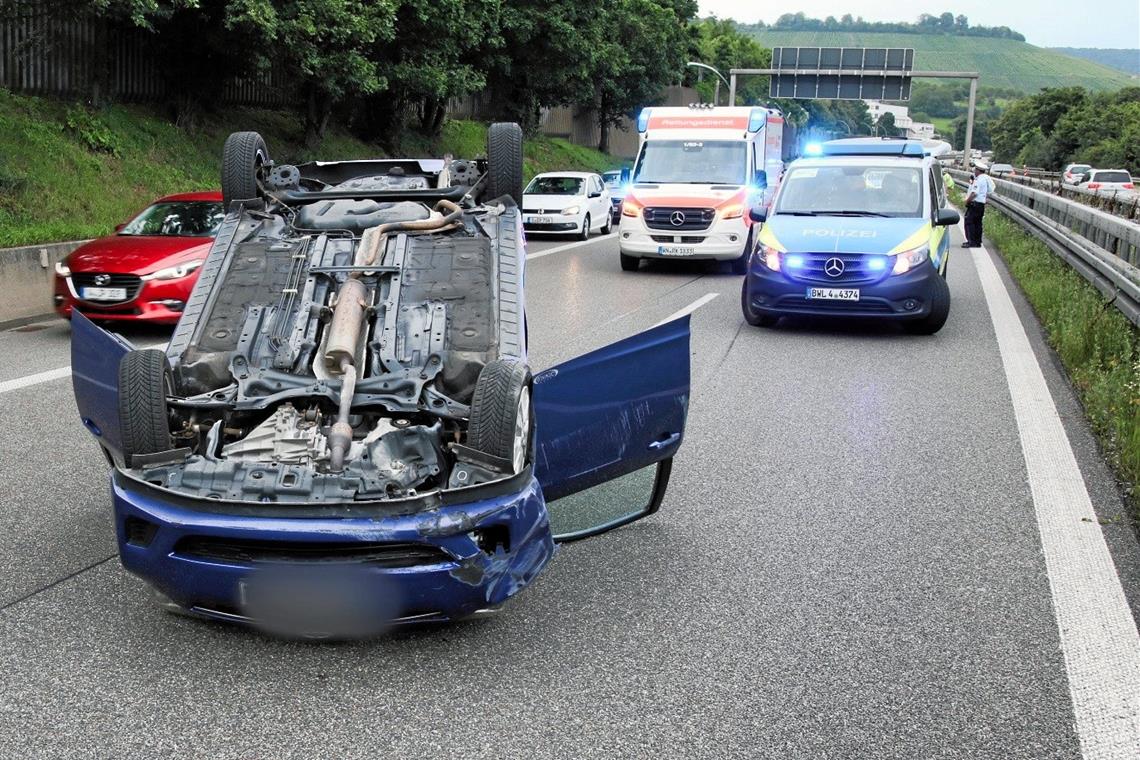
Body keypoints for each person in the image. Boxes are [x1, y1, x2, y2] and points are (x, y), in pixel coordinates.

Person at [962, 165, 994, 248]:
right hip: (981, 205)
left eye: (975, 170)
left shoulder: (979, 180)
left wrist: (967, 201)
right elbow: (991, 190)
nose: (974, 171)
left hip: (974, 204)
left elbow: (974, 193)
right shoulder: (986, 178)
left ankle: (971, 242)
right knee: (978, 223)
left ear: (978, 170)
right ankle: (977, 242)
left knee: (970, 222)